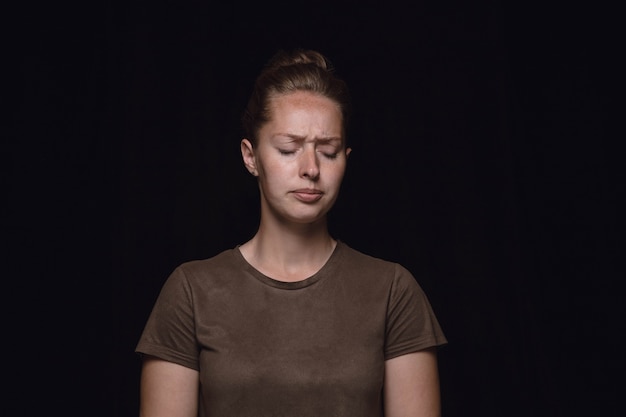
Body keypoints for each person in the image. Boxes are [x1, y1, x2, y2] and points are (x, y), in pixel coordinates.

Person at [136, 48, 447, 417]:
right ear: (250, 157)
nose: (311, 168)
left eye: (328, 152)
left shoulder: (393, 291)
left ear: (347, 157)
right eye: (289, 148)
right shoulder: (190, 291)